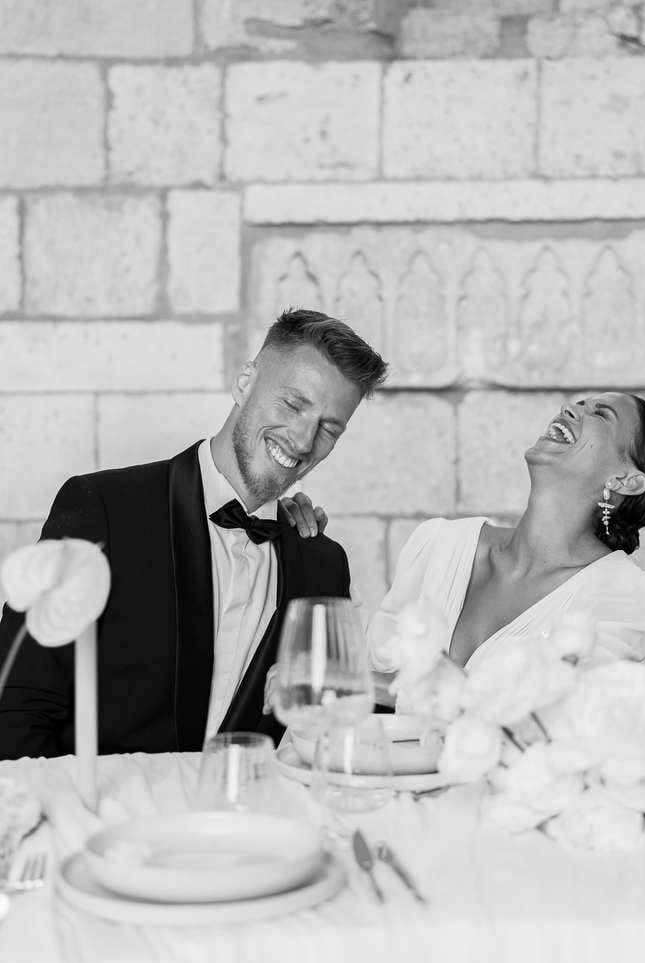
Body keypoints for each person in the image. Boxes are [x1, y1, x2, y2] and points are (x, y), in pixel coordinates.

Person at [0, 309, 387, 760]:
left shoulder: (322, 564)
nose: (303, 441)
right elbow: (17, 707)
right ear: (245, 382)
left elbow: (351, 730)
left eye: (328, 428)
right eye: (294, 404)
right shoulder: (103, 508)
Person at [368, 393, 645, 681]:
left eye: (600, 415)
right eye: (579, 404)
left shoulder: (631, 601)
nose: (569, 408)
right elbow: (367, 680)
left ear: (625, 480)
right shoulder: (438, 544)